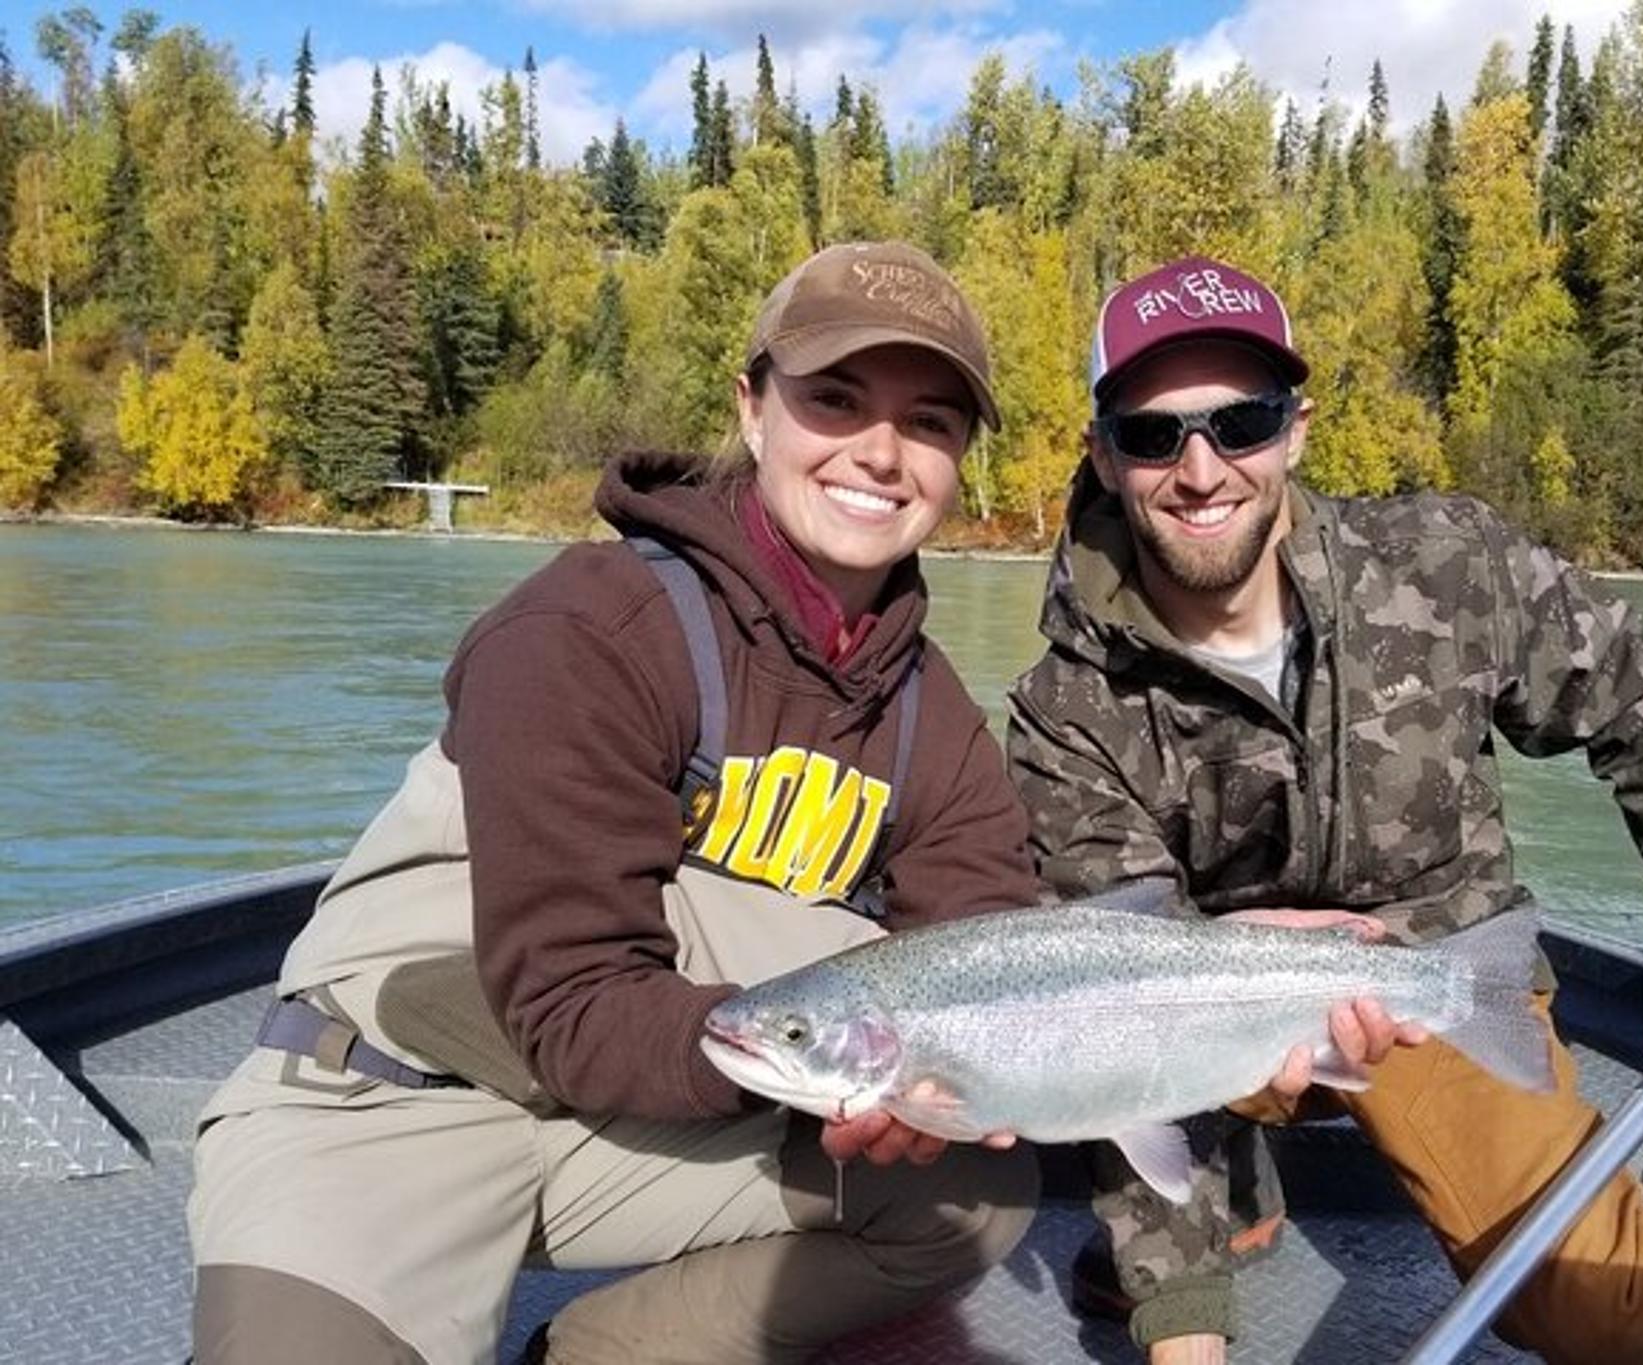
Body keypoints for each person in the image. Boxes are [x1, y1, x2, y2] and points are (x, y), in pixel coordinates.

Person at [188, 241, 1042, 1365]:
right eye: (835, 400)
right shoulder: (584, 631)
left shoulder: (937, 718)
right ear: (752, 410)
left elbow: (990, 958)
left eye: (928, 422)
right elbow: (571, 998)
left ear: (960, 460)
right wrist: (840, 1054)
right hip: (391, 1102)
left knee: (973, 1188)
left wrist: (938, 1081)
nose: (881, 453)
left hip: (642, 1125)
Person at [1006, 255, 1643, 1365]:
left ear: (1296, 431)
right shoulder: (1064, 711)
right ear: (1101, 453)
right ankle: (1231, 1198)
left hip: (1439, 980)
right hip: (1207, 1014)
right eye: (1152, 435)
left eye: (1240, 424)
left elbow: (1637, 700)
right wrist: (1180, 1327)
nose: (1200, 470)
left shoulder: (1447, 565)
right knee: (1135, 1183)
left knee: (1604, 1306)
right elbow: (1116, 1017)